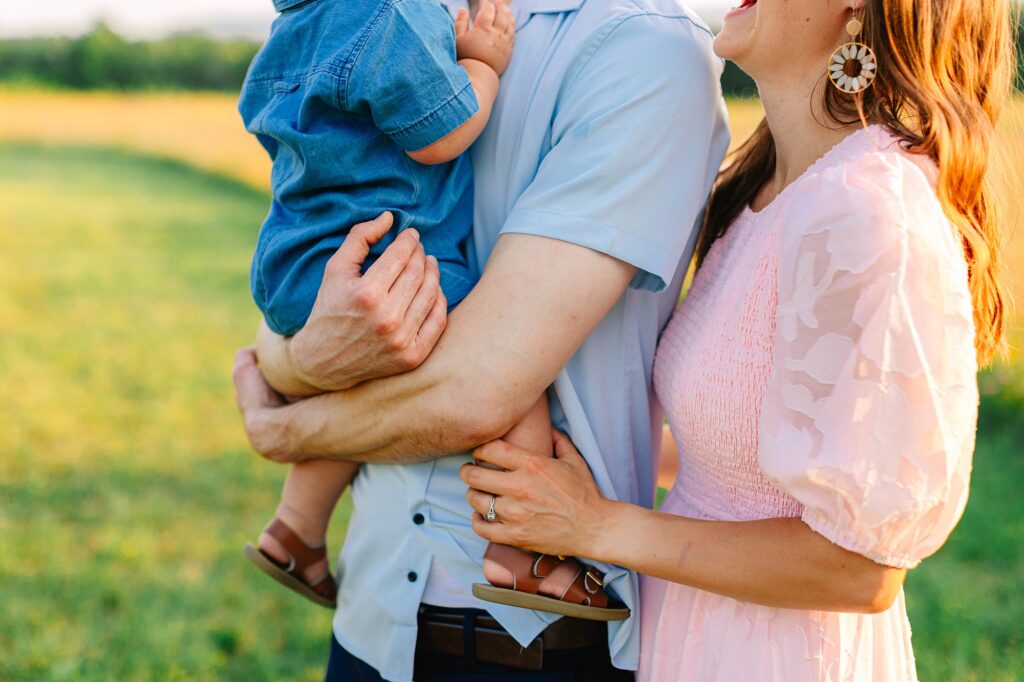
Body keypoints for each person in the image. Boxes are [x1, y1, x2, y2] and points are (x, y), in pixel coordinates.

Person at [458, 0, 1012, 679]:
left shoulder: (868, 212)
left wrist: (594, 524)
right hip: (699, 634)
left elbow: (857, 569)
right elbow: (740, 455)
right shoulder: (769, 195)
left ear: (857, 11)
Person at [232, 0, 730, 677]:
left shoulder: (642, 48)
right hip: (371, 619)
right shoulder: (410, 18)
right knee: (442, 344)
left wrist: (288, 420)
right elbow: (313, 346)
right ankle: (522, 557)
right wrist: (309, 358)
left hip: (525, 650)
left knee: (480, 370)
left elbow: (478, 388)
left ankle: (302, 525)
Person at [236, 0, 585, 614]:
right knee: (510, 370)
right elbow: (442, 135)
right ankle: (523, 555)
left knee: (359, 388)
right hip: (382, 260)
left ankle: (295, 530)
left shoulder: (291, 28)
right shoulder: (394, 12)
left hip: (294, 266)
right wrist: (483, 63)